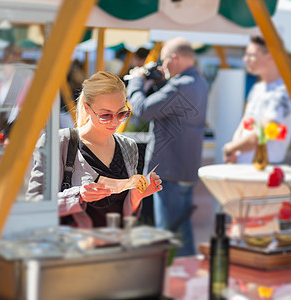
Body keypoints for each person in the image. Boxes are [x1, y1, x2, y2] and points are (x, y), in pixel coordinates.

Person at [27, 71, 162, 228]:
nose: (115, 121)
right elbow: (34, 204)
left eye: (122, 113)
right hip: (72, 247)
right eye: (106, 115)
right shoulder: (59, 142)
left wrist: (137, 196)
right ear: (87, 108)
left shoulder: (128, 146)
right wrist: (78, 196)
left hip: (116, 245)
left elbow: (125, 214)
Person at [126, 37, 209, 256]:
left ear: (174, 58)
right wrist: (160, 83)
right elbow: (174, 111)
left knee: (168, 235)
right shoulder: (198, 82)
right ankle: (189, 279)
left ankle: (175, 283)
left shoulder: (181, 86)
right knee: (182, 231)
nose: (163, 67)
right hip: (184, 169)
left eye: (164, 61)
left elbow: (142, 109)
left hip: (170, 171)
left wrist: (136, 80)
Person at [223, 35, 291, 164]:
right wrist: (233, 149)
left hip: (264, 171)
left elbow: (263, 134)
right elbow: (245, 123)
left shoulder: (283, 92)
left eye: (251, 55)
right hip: (245, 167)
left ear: (271, 56)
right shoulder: (258, 88)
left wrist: (231, 147)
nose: (245, 59)